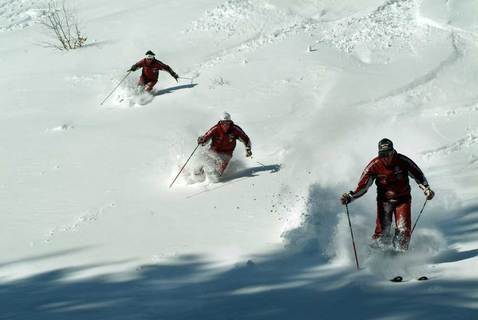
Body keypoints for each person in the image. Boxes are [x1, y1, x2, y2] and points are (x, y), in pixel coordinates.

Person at [340, 138, 435, 251]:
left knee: (403, 230)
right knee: (382, 232)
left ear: (393, 151)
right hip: (384, 201)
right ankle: (377, 253)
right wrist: (351, 196)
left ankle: (400, 253)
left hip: (402, 200)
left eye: (388, 153)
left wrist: (426, 189)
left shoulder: (403, 161)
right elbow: (363, 186)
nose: (385, 157)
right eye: (382, 154)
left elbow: (418, 175)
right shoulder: (374, 165)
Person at [197, 112, 252, 176]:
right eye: (223, 123)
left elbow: (246, 139)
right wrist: (201, 140)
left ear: (230, 122)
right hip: (214, 150)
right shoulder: (215, 129)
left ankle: (212, 178)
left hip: (227, 153)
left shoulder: (235, 129)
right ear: (220, 123)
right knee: (206, 158)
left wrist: (248, 149)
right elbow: (205, 138)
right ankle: (198, 172)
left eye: (228, 123)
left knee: (221, 166)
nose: (226, 125)